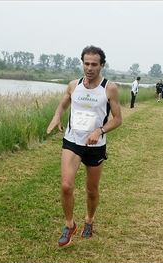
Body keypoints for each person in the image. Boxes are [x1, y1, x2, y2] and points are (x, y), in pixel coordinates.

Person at [46, 45, 122, 247]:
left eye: (94, 64)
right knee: (66, 185)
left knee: (91, 190)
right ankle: (70, 225)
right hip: (72, 141)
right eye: (86, 63)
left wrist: (100, 131)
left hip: (95, 146)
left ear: (102, 65)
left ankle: (89, 219)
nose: (89, 68)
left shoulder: (109, 88)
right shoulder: (74, 85)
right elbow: (63, 105)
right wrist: (56, 117)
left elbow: (118, 119)